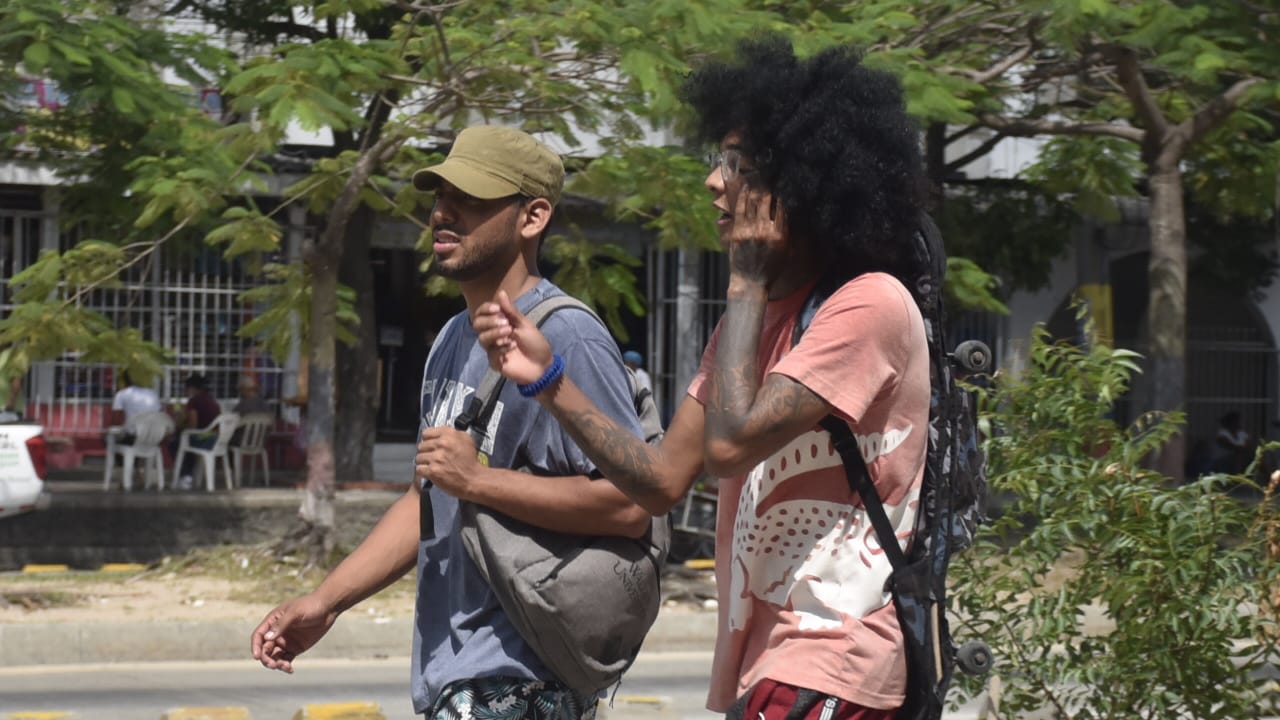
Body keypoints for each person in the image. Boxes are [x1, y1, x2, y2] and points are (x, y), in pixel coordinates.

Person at [475, 37, 929, 720]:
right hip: (773, 664)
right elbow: (661, 482)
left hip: (836, 658)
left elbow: (729, 445)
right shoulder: (753, 323)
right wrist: (550, 383)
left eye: (737, 165)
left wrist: (744, 276)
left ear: (803, 184)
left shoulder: (870, 306)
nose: (715, 182)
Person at [249, 125, 648, 720]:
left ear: (532, 216)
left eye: (471, 201)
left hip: (522, 680)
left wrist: (479, 481)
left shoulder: (567, 335)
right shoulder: (452, 338)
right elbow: (427, 496)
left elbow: (631, 502)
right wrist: (327, 602)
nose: (442, 214)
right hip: (455, 678)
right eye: (439, 199)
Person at [171, 373, 221, 490]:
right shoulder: (212, 401)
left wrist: (181, 424)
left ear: (191, 388)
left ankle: (186, 476)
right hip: (216, 439)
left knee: (176, 443)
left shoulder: (194, 402)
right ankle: (188, 476)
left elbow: (193, 426)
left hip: (203, 439)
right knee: (185, 441)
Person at [1208, 410, 1250, 474]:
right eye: (1235, 421)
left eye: (1238, 421)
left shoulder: (1242, 433)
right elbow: (1231, 447)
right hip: (1222, 459)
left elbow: (1249, 446)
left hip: (1242, 457)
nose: (1238, 423)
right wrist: (1242, 449)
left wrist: (1243, 449)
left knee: (1259, 457)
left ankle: (1268, 478)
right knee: (1238, 456)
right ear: (1229, 422)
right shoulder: (1222, 433)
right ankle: (1238, 478)